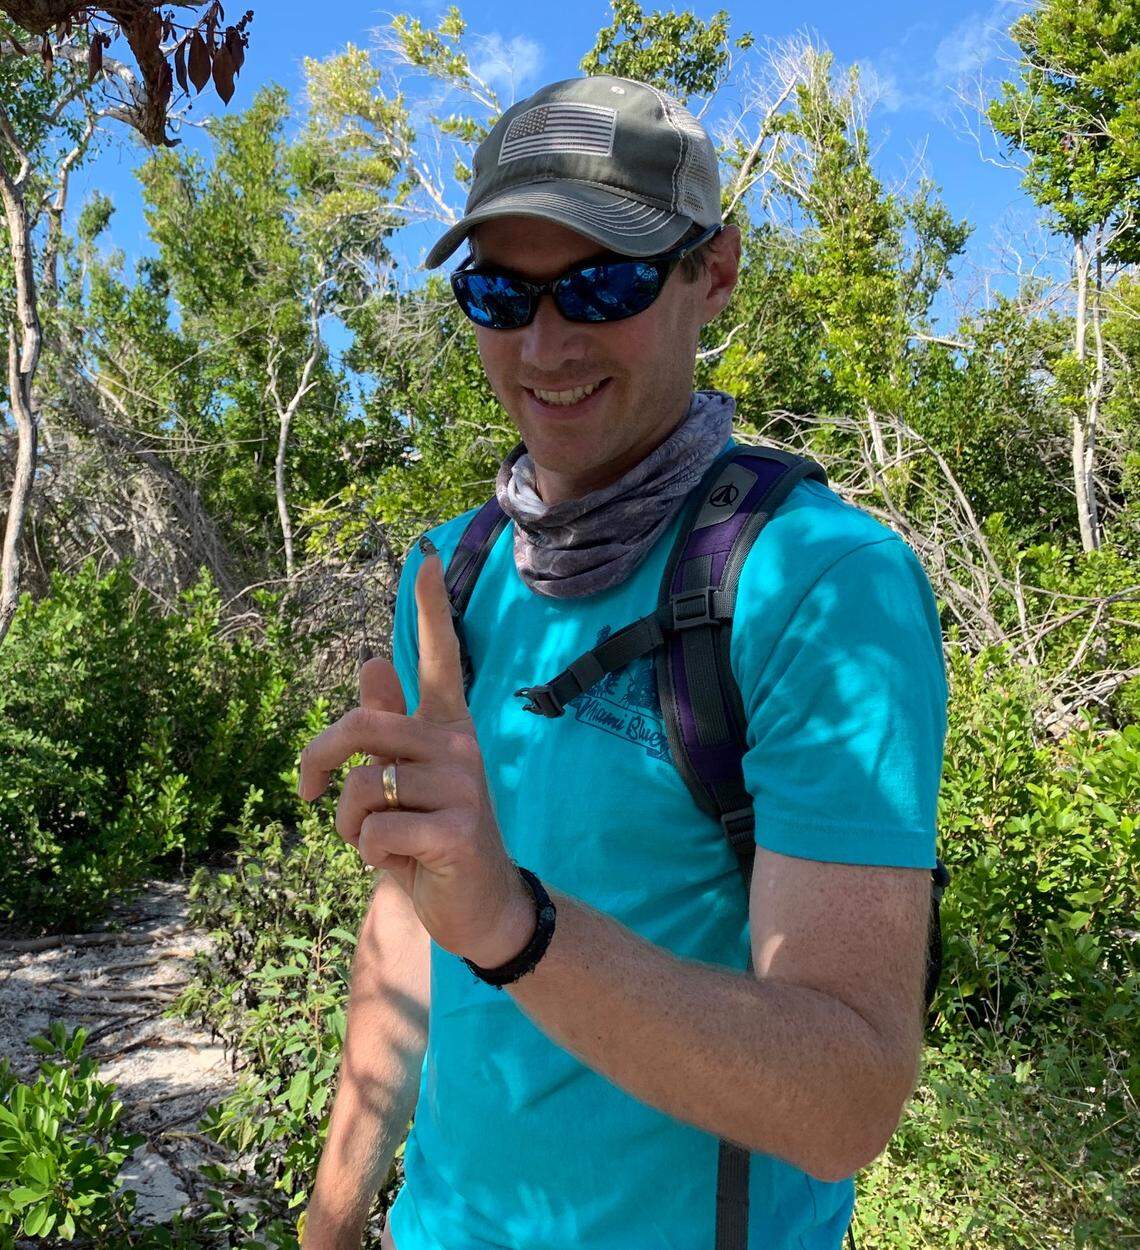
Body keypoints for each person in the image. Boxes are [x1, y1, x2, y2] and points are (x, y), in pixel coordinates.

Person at [299, 74, 948, 1250]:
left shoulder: (818, 584)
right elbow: (411, 922)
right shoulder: (450, 578)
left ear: (716, 272)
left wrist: (515, 921)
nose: (545, 343)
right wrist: (333, 1218)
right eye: (499, 291)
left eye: (605, 282)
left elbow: (847, 1098)